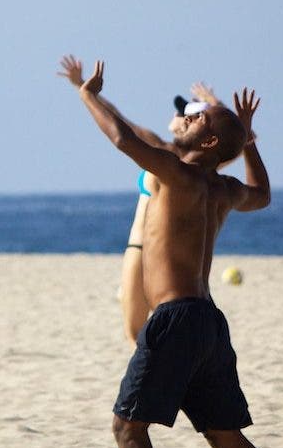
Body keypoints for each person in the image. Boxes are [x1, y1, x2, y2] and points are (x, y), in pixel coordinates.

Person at [74, 59, 269, 448]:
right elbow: (262, 194)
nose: (186, 119)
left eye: (197, 120)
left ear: (208, 141)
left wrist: (87, 95)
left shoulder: (176, 174)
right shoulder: (224, 190)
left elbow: (122, 139)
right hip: (208, 324)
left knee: (127, 428)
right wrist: (247, 141)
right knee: (223, 434)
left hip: (175, 319)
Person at [58, 56, 225, 345]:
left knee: (171, 333)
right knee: (136, 333)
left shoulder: (198, 168)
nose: (179, 116)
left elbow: (237, 139)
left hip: (171, 257)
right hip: (139, 248)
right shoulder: (158, 148)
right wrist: (82, 88)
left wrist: (217, 106)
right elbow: (121, 123)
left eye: (187, 113)